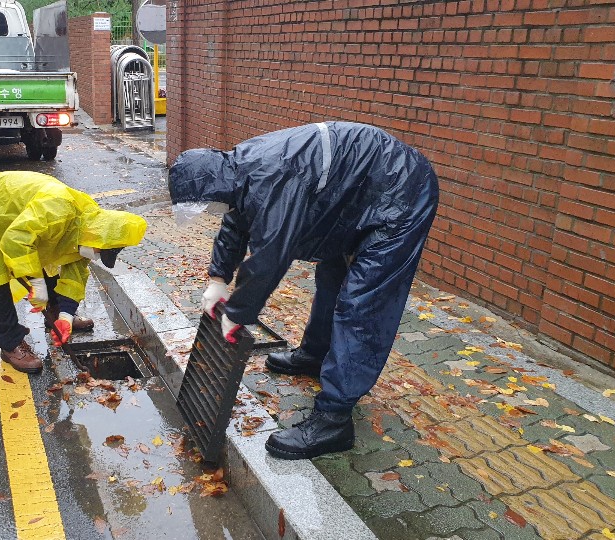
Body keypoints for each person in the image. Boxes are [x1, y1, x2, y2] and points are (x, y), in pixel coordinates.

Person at [169, 122, 439, 459]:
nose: (208, 212)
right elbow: (236, 222)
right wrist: (218, 278)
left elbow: (271, 255)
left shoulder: (271, 176)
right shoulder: (238, 171)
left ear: (213, 187)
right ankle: (315, 355)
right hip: (355, 196)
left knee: (362, 305)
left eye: (205, 205)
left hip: (400, 195)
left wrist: (237, 313)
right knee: (331, 279)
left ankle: (334, 419)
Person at [0, 171, 148, 374]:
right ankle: (11, 344)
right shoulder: (57, 209)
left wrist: (65, 316)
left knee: (54, 257)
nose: (95, 255)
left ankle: (53, 314)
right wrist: (37, 286)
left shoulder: (88, 229)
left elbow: (74, 275)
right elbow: (16, 241)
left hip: (17, 220)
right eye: (99, 252)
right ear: (98, 236)